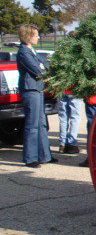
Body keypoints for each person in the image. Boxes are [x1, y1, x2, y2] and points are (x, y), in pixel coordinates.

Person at [16, 24, 57, 168]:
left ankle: (45, 155)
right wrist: (41, 67)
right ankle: (30, 157)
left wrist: (42, 67)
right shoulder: (23, 52)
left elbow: (44, 65)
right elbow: (37, 70)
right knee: (32, 124)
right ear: (27, 36)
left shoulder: (31, 50)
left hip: (38, 89)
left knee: (41, 123)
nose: (38, 37)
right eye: (35, 35)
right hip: (30, 90)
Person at [57, 89, 82, 153]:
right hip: (74, 89)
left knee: (63, 118)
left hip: (61, 89)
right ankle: (72, 145)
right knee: (74, 118)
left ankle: (62, 144)